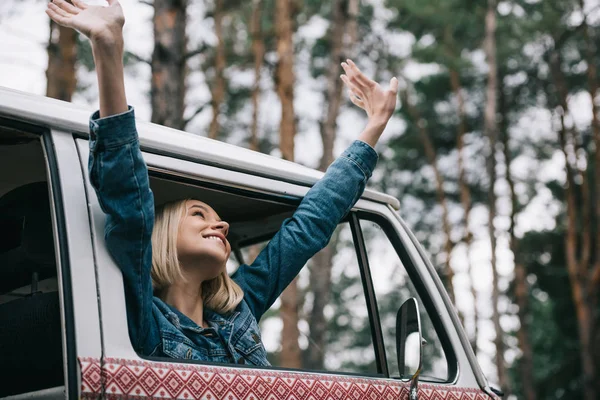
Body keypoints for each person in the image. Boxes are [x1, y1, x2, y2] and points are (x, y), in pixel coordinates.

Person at [46, 0, 398, 365]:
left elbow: (307, 228)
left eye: (217, 219)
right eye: (199, 214)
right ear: (162, 232)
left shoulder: (240, 311)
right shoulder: (143, 321)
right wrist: (108, 50)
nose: (222, 224)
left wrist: (374, 126)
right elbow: (128, 203)